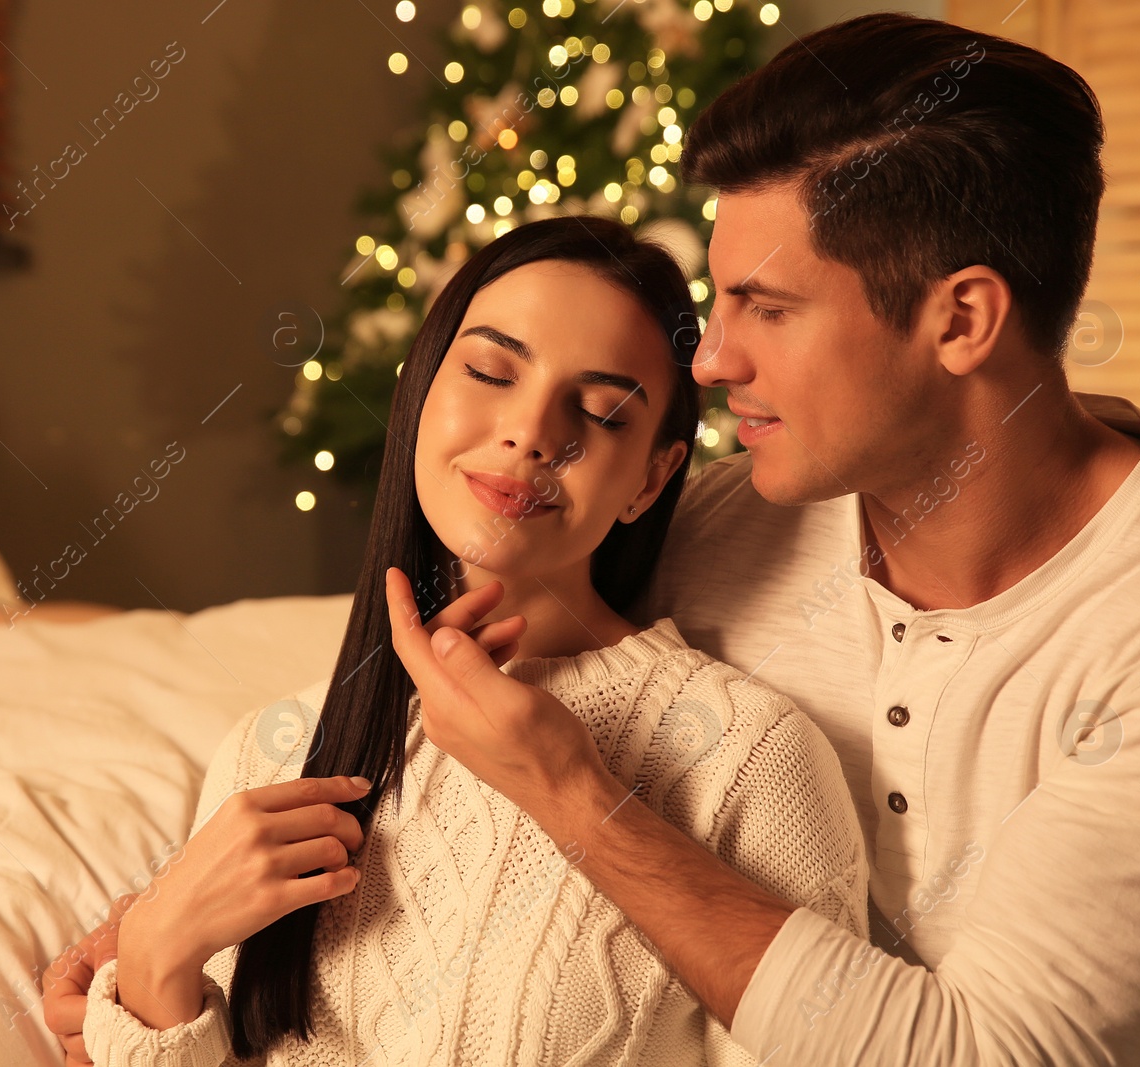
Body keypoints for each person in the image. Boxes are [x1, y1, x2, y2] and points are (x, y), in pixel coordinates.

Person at [383, 13, 1140, 1067]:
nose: (713, 359)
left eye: (764, 307)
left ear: (961, 322)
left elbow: (980, 1055)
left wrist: (575, 795)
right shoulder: (725, 525)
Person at [43, 216, 869, 1065]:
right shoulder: (268, 752)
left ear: (652, 478)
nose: (533, 432)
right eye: (488, 371)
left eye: (598, 410)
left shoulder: (746, 755)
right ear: (419, 396)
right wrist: (153, 951)